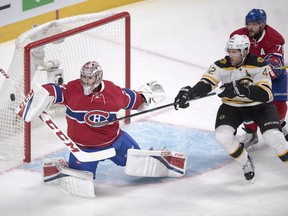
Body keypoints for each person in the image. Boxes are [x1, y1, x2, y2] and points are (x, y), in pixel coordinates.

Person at [17, 61, 186, 197]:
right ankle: (65, 168)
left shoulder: (112, 92)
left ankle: (160, 158)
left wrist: (145, 96)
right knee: (82, 183)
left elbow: (133, 99)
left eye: (89, 78)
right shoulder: (73, 89)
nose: (85, 81)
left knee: (138, 163)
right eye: (83, 76)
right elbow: (54, 90)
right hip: (83, 149)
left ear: (98, 77)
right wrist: (38, 96)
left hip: (115, 142)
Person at [174, 34, 288, 182]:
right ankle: (245, 162)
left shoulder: (260, 64)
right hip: (232, 106)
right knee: (222, 136)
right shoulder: (221, 64)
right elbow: (207, 83)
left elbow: (265, 94)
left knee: (273, 137)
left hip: (260, 106)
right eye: (230, 51)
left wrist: (244, 90)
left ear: (245, 51)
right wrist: (190, 93)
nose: (231, 55)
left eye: (235, 52)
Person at [230, 8, 288, 150]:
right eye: (248, 23)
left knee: (278, 104)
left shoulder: (274, 38)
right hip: (248, 75)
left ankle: (279, 125)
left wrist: (270, 69)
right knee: (243, 102)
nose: (250, 27)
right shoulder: (238, 35)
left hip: (274, 78)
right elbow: (234, 57)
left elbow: (275, 64)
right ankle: (251, 133)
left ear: (262, 25)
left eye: (254, 24)